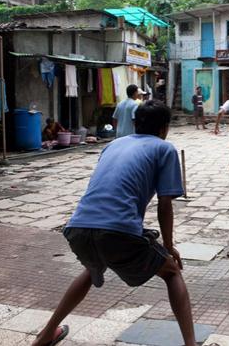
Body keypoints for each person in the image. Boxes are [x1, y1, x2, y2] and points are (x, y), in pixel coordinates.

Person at [31, 101, 197, 346]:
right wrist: (169, 246)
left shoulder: (113, 144)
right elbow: (165, 204)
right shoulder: (164, 148)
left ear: (135, 123)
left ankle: (45, 336)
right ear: (164, 128)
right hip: (117, 231)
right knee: (171, 272)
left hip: (78, 228)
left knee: (92, 268)